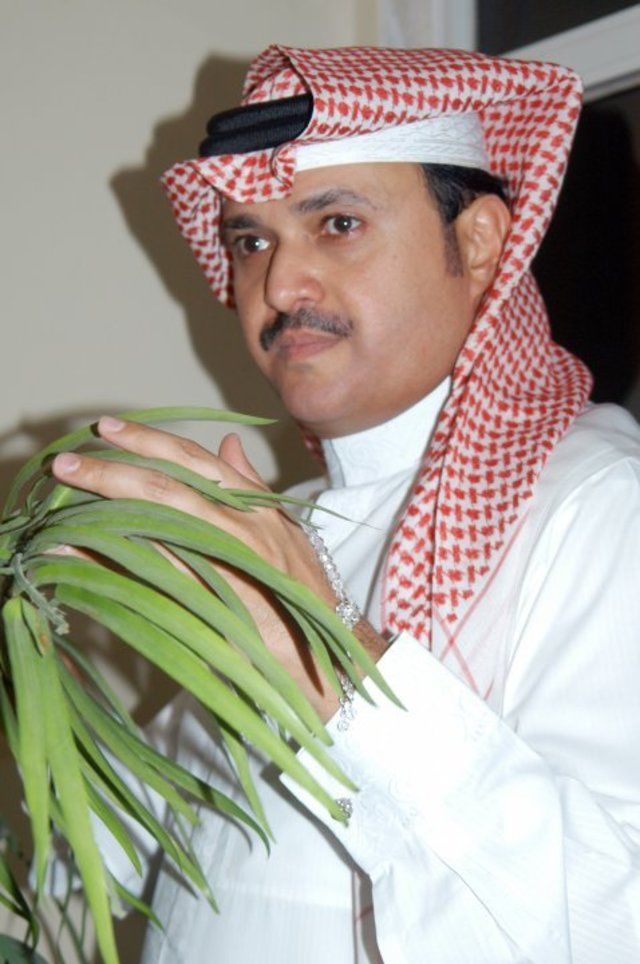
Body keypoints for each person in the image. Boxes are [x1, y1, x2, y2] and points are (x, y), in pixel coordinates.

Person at [52, 46, 640, 962]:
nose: (279, 286)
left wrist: (324, 649)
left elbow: (608, 924)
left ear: (479, 242)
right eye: (250, 241)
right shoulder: (282, 524)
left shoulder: (598, 507)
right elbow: (102, 845)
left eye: (337, 223)